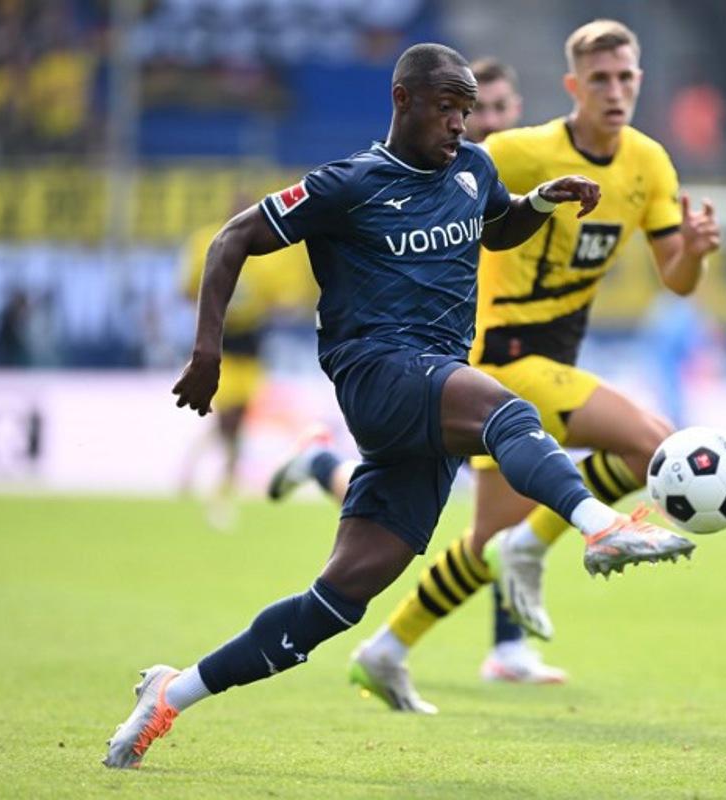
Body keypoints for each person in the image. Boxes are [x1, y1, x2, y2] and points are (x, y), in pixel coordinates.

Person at [102, 42, 696, 768]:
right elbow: (233, 239)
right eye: (447, 108)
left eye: (466, 110)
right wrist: (207, 352)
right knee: (508, 412)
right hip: (376, 372)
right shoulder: (348, 185)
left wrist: (542, 202)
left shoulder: (475, 170)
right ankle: (601, 526)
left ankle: (171, 692)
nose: (459, 124)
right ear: (403, 100)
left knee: (334, 602)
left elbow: (497, 224)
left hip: (430, 392)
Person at [274, 21, 722, 714]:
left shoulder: (649, 163)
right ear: (573, 85)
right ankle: (540, 544)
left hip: (551, 362)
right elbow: (429, 169)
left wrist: (692, 250)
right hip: (499, 360)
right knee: (653, 444)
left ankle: (388, 647)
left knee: (479, 543)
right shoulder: (518, 151)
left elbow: (678, 279)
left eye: (626, 77)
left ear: (640, 81)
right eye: (600, 78)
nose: (616, 90)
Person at [269, 57, 570, 686]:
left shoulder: (488, 175)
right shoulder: (398, 180)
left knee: (448, 513)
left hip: (475, 356)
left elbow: (510, 234)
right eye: (465, 110)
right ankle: (505, 646)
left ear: (513, 116)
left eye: (489, 110)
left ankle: (322, 465)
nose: (475, 123)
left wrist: (540, 204)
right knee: (495, 519)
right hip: (451, 365)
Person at [175, 209, 314, 529]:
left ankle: (206, 481)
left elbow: (279, 300)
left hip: (251, 351)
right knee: (228, 423)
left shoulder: (264, 254)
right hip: (221, 350)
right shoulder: (210, 244)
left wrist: (279, 305)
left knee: (233, 424)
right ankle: (211, 487)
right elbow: (187, 290)